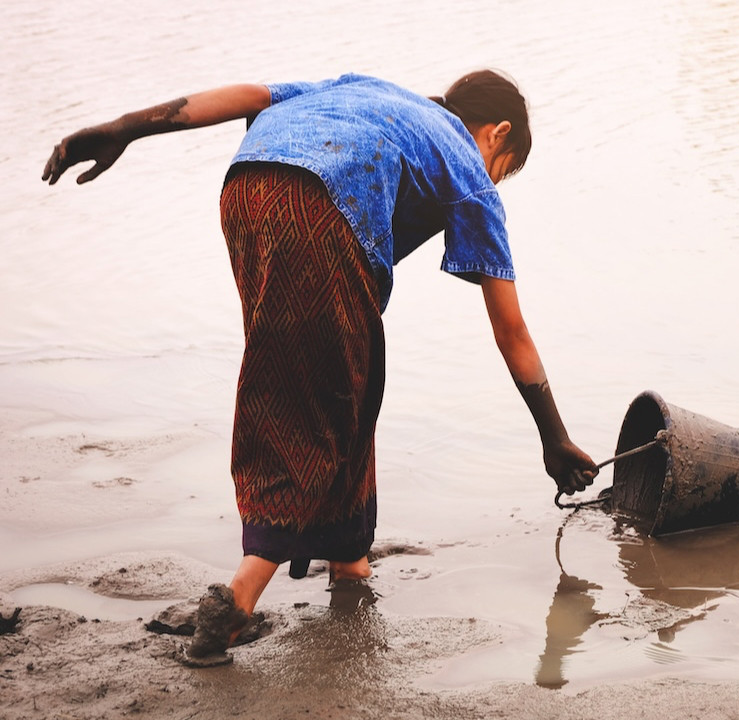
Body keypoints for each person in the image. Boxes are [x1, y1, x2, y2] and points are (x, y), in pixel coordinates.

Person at [42, 70, 598, 666]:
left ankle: (350, 564)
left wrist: (124, 129)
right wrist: (554, 438)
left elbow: (251, 96)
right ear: (498, 134)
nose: (494, 181)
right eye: (503, 166)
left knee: (336, 377)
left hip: (247, 187)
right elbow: (510, 330)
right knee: (323, 402)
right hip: (323, 209)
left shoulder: (368, 90)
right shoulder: (467, 167)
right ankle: (235, 601)